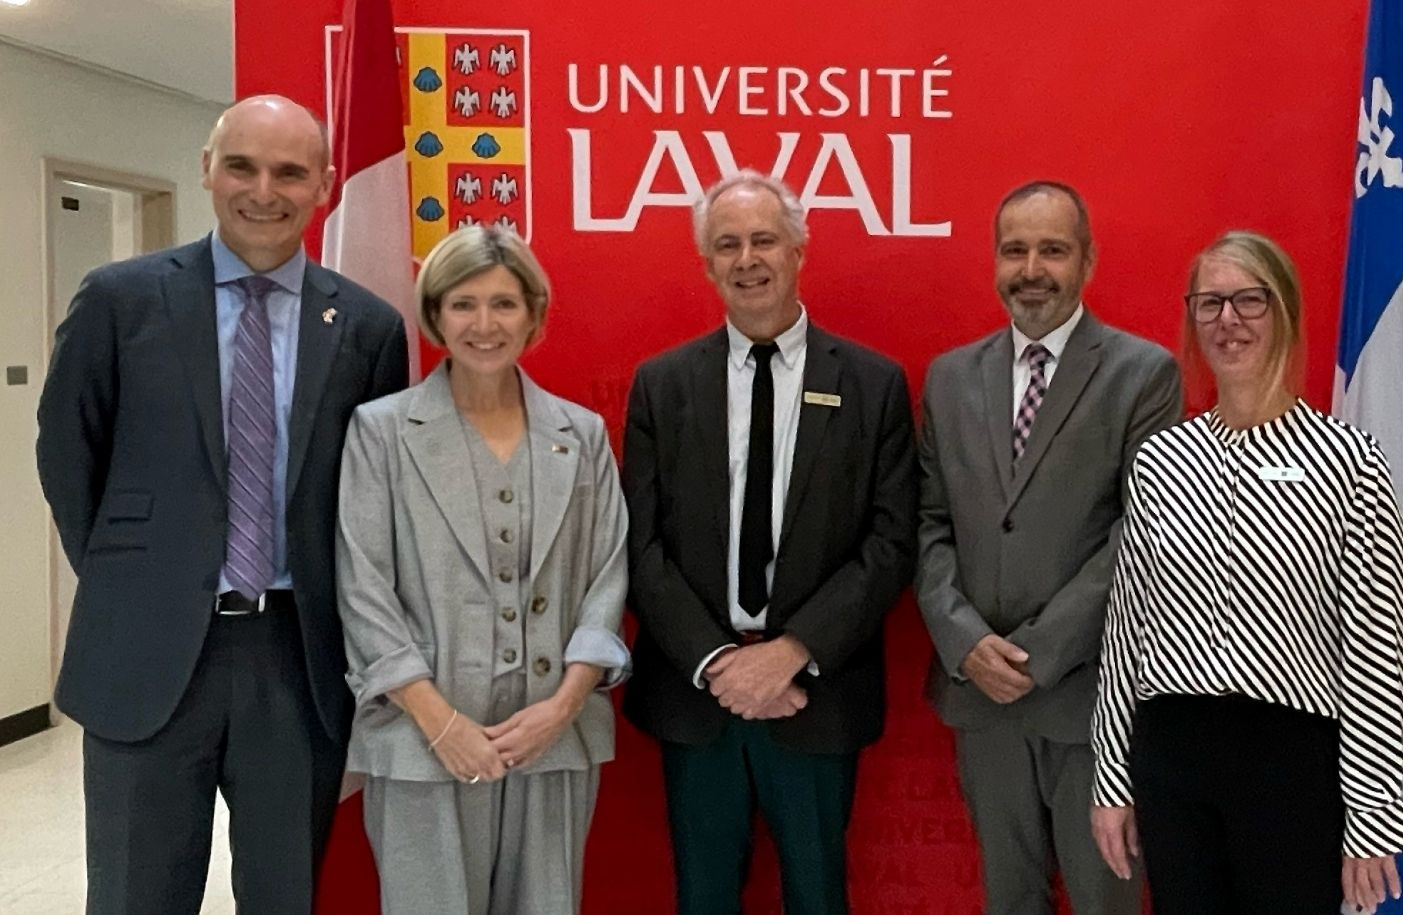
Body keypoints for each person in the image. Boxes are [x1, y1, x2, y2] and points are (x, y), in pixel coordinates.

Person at [35, 95, 409, 914]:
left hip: (297, 657)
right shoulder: (119, 299)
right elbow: (69, 458)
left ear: (325, 183)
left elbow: (372, 497)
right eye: (241, 165)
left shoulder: (370, 327)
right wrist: (141, 579)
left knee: (286, 894)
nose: (263, 190)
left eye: (290, 172)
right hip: (147, 653)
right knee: (137, 892)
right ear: (208, 169)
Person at [1089, 230, 1403, 914]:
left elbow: (1379, 648)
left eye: (1249, 300)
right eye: (1210, 303)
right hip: (1171, 755)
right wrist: (1111, 779)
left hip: (1290, 761)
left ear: (1286, 313)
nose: (1228, 320)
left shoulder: (1348, 460)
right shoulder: (1162, 460)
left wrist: (1373, 810)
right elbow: (1127, 634)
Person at [622, 169, 917, 914]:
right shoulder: (662, 384)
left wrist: (789, 652)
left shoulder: (874, 383)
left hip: (816, 693)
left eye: (763, 240)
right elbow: (640, 541)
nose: (746, 259)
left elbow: (889, 542)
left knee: (818, 897)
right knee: (704, 897)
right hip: (698, 695)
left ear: (798, 250)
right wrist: (720, 662)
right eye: (727, 245)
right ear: (707, 263)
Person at [335, 224, 630, 914]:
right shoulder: (380, 432)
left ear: (534, 315)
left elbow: (606, 578)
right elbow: (363, 588)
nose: (484, 324)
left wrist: (560, 707)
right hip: (421, 738)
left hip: (552, 737)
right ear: (435, 315)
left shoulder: (580, 435)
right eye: (463, 304)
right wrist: (442, 724)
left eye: (504, 304)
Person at [916, 181, 1180, 915]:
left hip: (1091, 697)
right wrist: (965, 641)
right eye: (1015, 249)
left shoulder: (1143, 373)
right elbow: (929, 524)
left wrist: (1035, 654)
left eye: (1053, 249)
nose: (1032, 267)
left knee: (1106, 901)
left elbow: (1145, 531)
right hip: (982, 696)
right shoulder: (949, 378)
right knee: (1010, 899)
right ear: (995, 261)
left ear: (1087, 261)